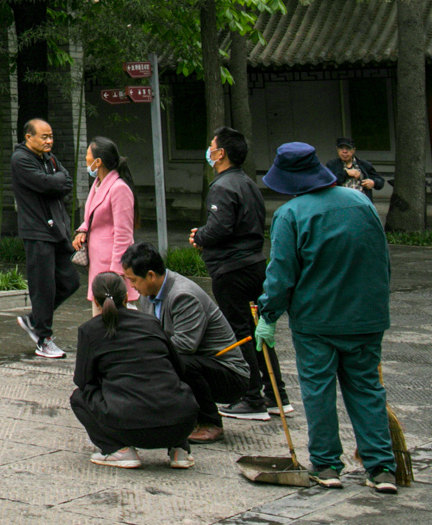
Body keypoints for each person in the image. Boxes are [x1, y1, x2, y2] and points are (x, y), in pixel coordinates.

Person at [255, 142, 400, 494]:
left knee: (318, 391)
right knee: (366, 388)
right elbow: (382, 260)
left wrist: (268, 315)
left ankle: (326, 465)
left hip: (316, 321)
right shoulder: (362, 203)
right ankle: (381, 468)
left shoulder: (291, 215)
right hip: (366, 317)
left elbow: (281, 275)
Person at [191, 126, 285, 421]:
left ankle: (251, 396)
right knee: (259, 331)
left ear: (221, 154)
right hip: (255, 263)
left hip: (232, 269)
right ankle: (276, 393)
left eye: (212, 146)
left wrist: (201, 236)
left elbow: (220, 227)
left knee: (241, 333)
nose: (209, 151)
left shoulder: (222, 185)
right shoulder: (248, 183)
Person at [71, 271, 201, 470]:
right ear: (126, 298)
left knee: (79, 397)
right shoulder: (151, 323)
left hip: (128, 427)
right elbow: (179, 368)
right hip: (180, 422)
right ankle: (180, 449)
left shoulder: (90, 330)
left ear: (96, 302)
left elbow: (82, 381)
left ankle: (118, 450)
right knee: (170, 384)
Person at [121, 243, 249, 445]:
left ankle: (210, 423)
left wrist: (143, 353)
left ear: (151, 275)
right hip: (201, 364)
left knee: (178, 360)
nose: (132, 286)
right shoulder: (148, 295)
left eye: (134, 280)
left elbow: (185, 345)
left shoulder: (183, 295)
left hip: (229, 374)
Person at [12, 118, 78, 359]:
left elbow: (66, 181)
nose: (49, 141)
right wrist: (55, 182)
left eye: (51, 137)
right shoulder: (21, 160)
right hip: (37, 231)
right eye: (44, 137)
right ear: (29, 137)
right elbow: (48, 184)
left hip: (56, 230)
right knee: (43, 287)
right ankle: (44, 339)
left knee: (70, 281)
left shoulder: (48, 158)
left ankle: (33, 320)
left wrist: (56, 182)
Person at [74, 136, 137, 303]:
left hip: (111, 266)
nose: (85, 159)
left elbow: (124, 234)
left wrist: (115, 272)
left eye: (88, 154)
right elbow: (92, 215)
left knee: (114, 318)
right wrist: (83, 230)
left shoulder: (119, 188)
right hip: (98, 263)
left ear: (98, 161)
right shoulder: (98, 184)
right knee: (99, 315)